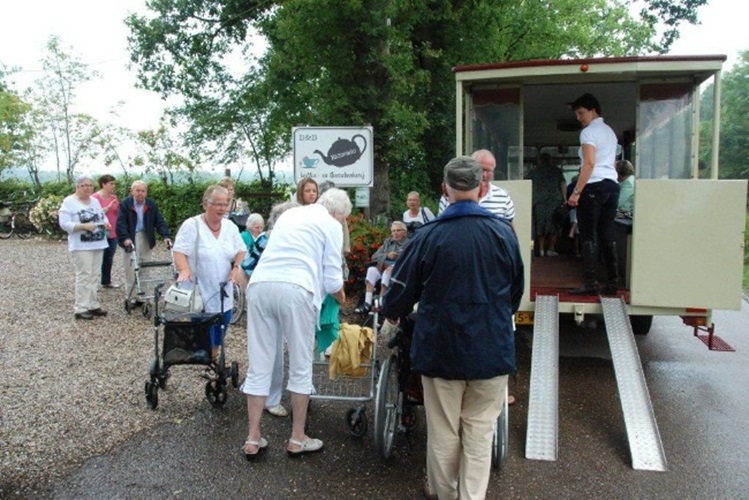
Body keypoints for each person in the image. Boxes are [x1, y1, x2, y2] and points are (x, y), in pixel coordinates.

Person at [382, 156, 524, 500]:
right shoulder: (504, 234)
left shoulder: (428, 236)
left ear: (445, 189)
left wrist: (391, 311)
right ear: (482, 187)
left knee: (444, 432)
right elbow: (515, 294)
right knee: (479, 432)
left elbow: (399, 295)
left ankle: (445, 494)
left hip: (441, 349)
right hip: (491, 350)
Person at [241, 188, 350, 459]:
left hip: (260, 286)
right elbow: (333, 280)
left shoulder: (291, 214)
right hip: (297, 289)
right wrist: (342, 297)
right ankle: (297, 438)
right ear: (338, 213)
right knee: (301, 364)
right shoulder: (332, 225)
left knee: (259, 364)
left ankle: (253, 437)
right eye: (344, 218)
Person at [172, 185, 246, 364]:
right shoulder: (192, 225)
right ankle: (205, 356)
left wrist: (236, 268)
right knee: (203, 324)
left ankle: (212, 355)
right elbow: (179, 251)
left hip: (223, 286)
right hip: (200, 286)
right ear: (205, 204)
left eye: (225, 204)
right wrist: (185, 269)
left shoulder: (229, 227)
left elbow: (241, 250)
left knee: (222, 323)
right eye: (218, 204)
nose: (222, 208)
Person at [567, 93, 620, 295]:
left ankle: (590, 282)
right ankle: (613, 281)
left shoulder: (588, 133)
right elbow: (611, 163)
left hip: (594, 186)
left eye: (580, 113)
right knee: (607, 233)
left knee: (588, 234)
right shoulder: (610, 132)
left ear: (592, 110)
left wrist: (576, 192)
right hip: (612, 186)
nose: (578, 118)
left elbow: (589, 163)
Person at [58, 176, 111, 320]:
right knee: (84, 275)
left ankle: (92, 304)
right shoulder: (69, 202)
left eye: (90, 185)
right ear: (78, 187)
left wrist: (106, 223)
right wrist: (82, 226)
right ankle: (81, 307)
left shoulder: (94, 201)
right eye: (85, 185)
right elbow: (64, 223)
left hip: (98, 242)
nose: (88, 188)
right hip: (81, 245)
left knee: (94, 275)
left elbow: (101, 216)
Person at [116, 180, 172, 305]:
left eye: (143, 191)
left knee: (145, 267)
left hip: (146, 236)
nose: (140, 193)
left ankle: (143, 296)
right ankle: (131, 296)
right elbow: (120, 223)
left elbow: (159, 221)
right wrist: (125, 238)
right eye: (138, 190)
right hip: (131, 236)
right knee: (131, 268)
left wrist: (166, 235)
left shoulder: (151, 204)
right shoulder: (126, 204)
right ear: (132, 191)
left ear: (146, 192)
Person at [438, 149, 516, 230]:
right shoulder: (448, 197)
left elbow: (510, 228)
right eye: (481, 170)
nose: (484, 175)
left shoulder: (503, 197)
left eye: (489, 171)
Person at [353, 221, 409, 315]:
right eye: (393, 231)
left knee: (387, 273)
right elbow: (374, 256)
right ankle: (367, 303)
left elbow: (409, 258)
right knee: (371, 270)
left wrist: (396, 260)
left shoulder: (408, 243)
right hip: (382, 266)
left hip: (397, 269)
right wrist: (387, 255)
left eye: (398, 230)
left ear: (404, 232)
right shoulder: (387, 242)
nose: (395, 233)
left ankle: (380, 304)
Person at [526, 153, 566, 256]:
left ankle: (541, 250)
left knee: (540, 224)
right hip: (554, 200)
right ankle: (551, 249)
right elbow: (563, 184)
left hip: (539, 201)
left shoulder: (534, 171)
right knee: (554, 224)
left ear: (539, 160)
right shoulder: (556, 171)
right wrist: (564, 198)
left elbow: (526, 182)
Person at [92, 174, 120, 288]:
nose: (113, 186)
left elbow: (118, 212)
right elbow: (91, 214)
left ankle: (106, 281)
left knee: (109, 257)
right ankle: (92, 282)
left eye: (114, 183)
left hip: (113, 232)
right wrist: (105, 209)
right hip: (99, 232)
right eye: (111, 183)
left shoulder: (114, 198)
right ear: (103, 184)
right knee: (96, 257)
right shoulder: (94, 198)